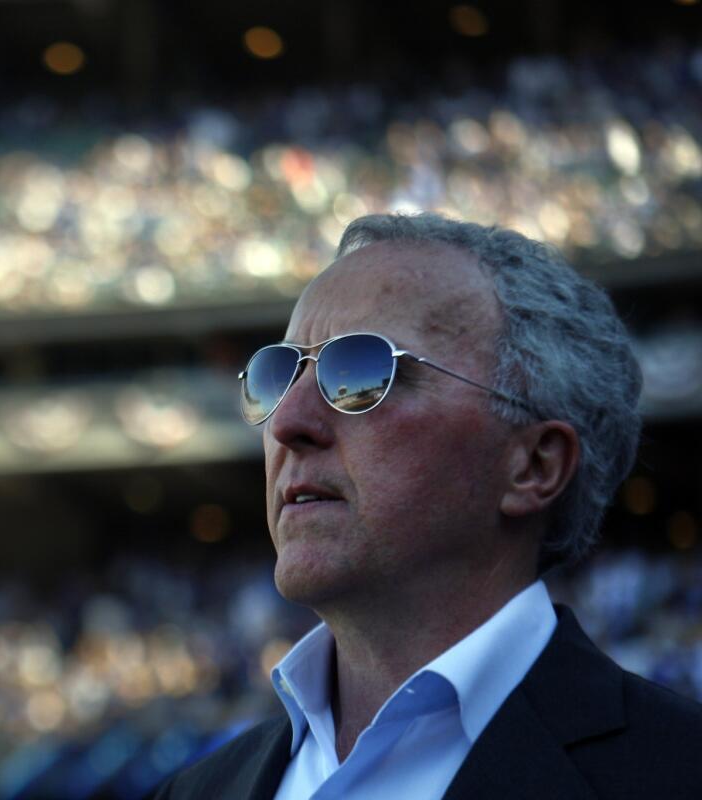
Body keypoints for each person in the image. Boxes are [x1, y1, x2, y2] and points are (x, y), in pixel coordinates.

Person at [153, 213, 702, 799]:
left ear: (534, 466)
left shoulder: (675, 773)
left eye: (361, 373)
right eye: (275, 374)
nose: (287, 421)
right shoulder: (194, 790)